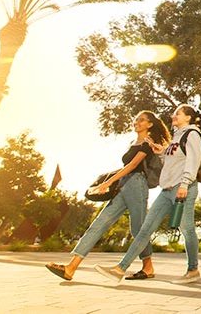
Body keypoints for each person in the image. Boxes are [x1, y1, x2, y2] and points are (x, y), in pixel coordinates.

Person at [45, 110, 170, 281]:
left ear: (149, 124)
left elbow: (133, 165)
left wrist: (108, 182)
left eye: (141, 120)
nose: (137, 122)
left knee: (138, 229)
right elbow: (126, 168)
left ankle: (148, 267)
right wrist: (108, 182)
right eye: (136, 120)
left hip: (137, 185)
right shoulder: (134, 142)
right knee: (99, 223)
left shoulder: (149, 143)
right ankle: (71, 268)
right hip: (124, 185)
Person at [94, 104, 201, 285]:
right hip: (167, 189)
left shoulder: (192, 134)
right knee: (145, 229)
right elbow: (172, 163)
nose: (173, 116)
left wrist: (185, 183)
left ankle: (193, 269)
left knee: (187, 229)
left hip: (183, 188)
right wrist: (161, 153)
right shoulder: (176, 137)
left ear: (188, 118)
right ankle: (119, 269)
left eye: (178, 114)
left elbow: (193, 161)